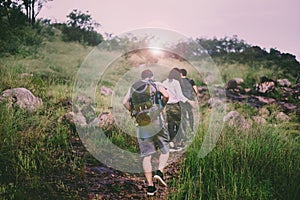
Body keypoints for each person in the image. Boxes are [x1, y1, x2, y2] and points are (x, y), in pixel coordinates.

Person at [123, 69, 170, 196]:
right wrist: (161, 108)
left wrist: (133, 112)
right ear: (152, 76)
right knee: (165, 148)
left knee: (146, 155)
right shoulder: (156, 84)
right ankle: (159, 172)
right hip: (157, 122)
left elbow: (124, 102)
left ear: (141, 77)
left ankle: (150, 187)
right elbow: (166, 95)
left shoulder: (133, 87)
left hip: (142, 124)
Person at [162, 68, 194, 150]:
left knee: (170, 125)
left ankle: (171, 142)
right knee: (178, 125)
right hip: (176, 106)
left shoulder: (164, 82)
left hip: (168, 106)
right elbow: (180, 96)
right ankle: (178, 142)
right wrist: (189, 101)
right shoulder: (176, 82)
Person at [179, 68, 198, 133]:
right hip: (190, 99)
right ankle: (192, 129)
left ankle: (184, 130)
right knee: (190, 113)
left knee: (183, 115)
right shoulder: (191, 80)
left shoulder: (178, 81)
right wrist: (194, 98)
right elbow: (196, 91)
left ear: (180, 73)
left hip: (182, 100)